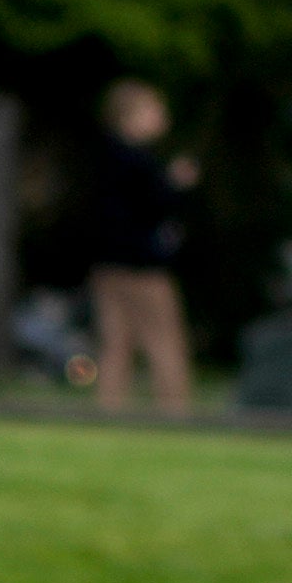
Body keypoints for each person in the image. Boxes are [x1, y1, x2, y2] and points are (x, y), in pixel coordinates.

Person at [83, 82, 197, 414]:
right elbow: (153, 206)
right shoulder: (139, 163)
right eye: (153, 110)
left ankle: (109, 409)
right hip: (143, 267)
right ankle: (175, 412)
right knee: (164, 341)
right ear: (129, 117)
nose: (161, 117)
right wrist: (176, 184)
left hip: (108, 265)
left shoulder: (103, 157)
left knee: (115, 343)